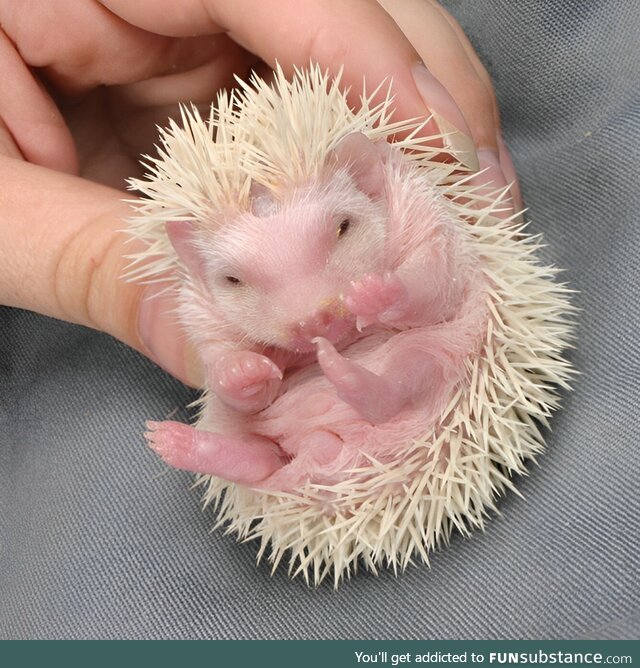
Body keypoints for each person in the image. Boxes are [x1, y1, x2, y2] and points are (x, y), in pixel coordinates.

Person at [0, 0, 517, 387]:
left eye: (342, 229)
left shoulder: (402, 205)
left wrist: (405, 290)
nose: (310, 313)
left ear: (368, 179)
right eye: (234, 277)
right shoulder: (187, 268)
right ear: (190, 257)